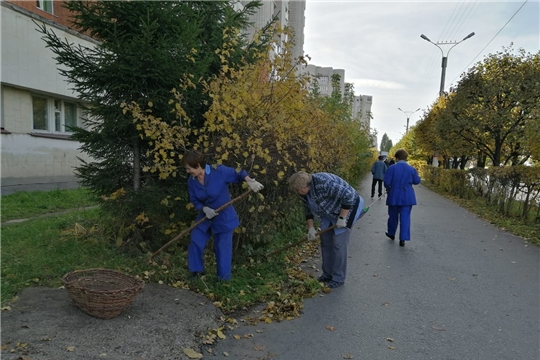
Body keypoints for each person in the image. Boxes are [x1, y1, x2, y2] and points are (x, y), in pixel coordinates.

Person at [181, 150, 264, 280]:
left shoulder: (218, 171)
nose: (187, 171)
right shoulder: (192, 181)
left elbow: (238, 173)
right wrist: (204, 208)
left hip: (224, 217)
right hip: (205, 216)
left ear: (197, 165)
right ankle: (196, 272)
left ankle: (223, 280)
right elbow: (195, 200)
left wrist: (249, 181)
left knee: (222, 248)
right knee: (196, 239)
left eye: (189, 168)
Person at [288, 171, 365, 288]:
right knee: (325, 241)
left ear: (306, 185)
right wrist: (311, 228)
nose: (298, 192)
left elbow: (348, 195)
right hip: (329, 211)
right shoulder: (303, 192)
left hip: (349, 208)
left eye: (299, 189)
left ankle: (338, 278)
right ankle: (327, 274)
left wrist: (342, 217)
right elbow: (307, 210)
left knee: (338, 243)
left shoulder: (323, 184)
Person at [383, 149, 421, 247]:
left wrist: (389, 187)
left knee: (393, 216)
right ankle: (403, 238)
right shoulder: (411, 169)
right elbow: (416, 181)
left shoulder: (392, 168)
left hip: (394, 195)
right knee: (405, 217)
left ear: (397, 158)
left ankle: (391, 233)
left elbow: (387, 182)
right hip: (407, 196)